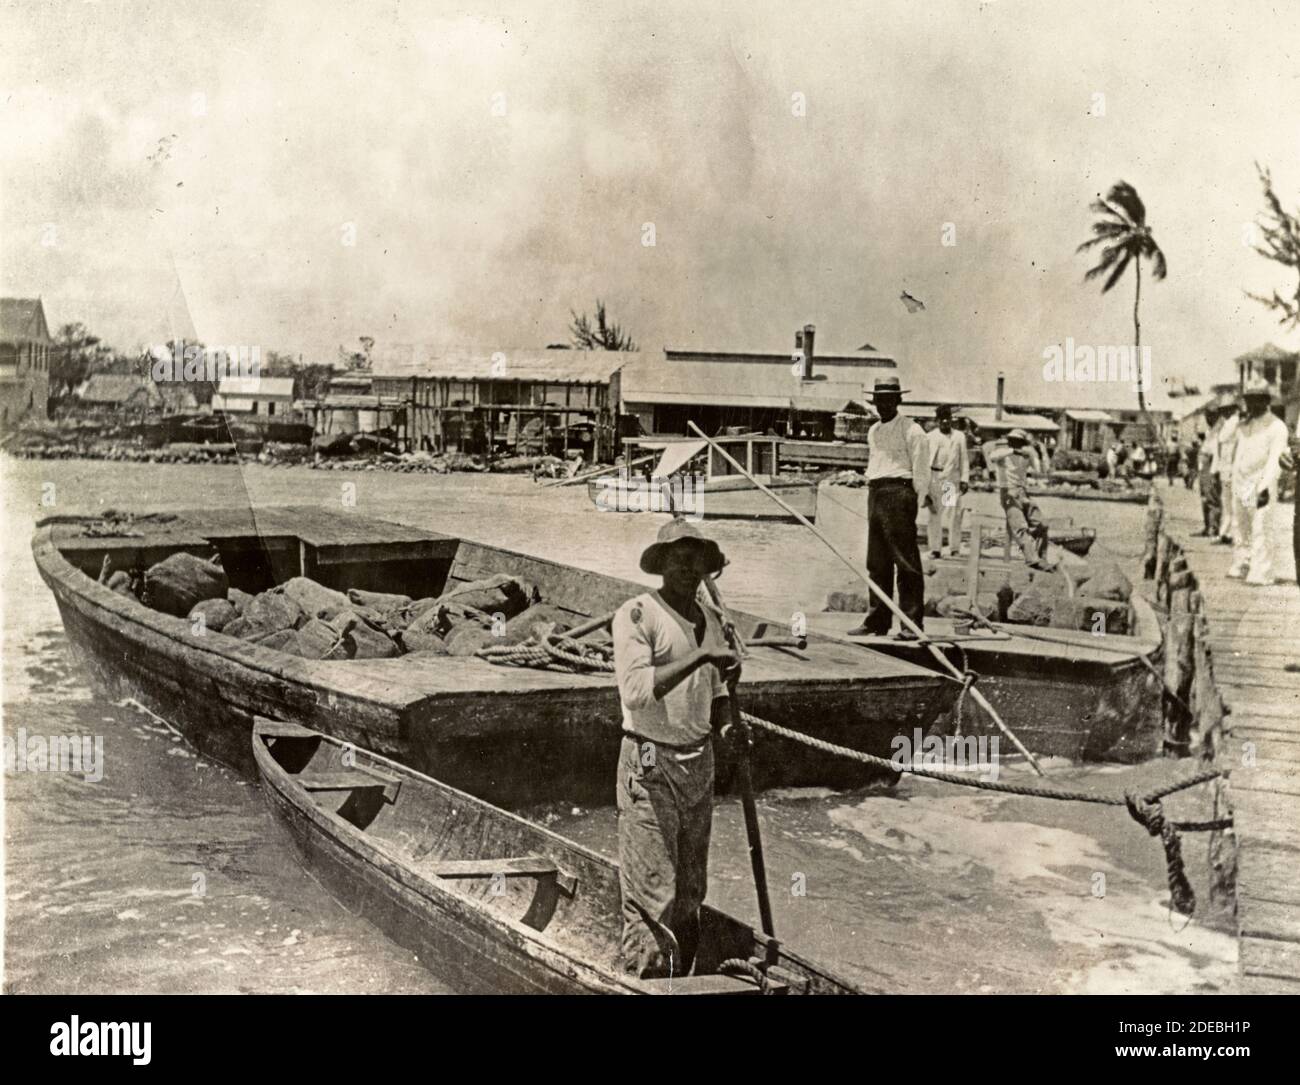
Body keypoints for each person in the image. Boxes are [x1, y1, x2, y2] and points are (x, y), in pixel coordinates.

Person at [611, 518, 741, 978]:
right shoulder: (637, 614)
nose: (689, 569)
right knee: (653, 889)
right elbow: (637, 692)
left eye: (698, 562)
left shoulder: (711, 621)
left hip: (697, 760)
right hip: (649, 759)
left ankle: (684, 977)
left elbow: (718, 691)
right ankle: (641, 976)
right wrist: (702, 656)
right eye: (679, 559)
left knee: (690, 890)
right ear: (662, 564)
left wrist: (726, 727)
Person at [846, 375, 929, 638]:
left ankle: (911, 625)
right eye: (878, 400)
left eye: (888, 400)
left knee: (906, 562)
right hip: (876, 492)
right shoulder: (873, 431)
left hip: (900, 493)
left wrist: (914, 500)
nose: (883, 405)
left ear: (899, 400)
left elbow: (922, 472)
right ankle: (877, 621)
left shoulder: (913, 430)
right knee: (876, 562)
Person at [1227, 377, 1289, 585]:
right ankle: (1241, 565)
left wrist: (1264, 486)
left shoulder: (1277, 427)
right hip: (1241, 483)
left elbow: (1275, 460)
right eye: (1249, 399)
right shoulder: (1244, 425)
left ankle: (1261, 573)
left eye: (1257, 399)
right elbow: (1224, 438)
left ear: (1266, 400)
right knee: (1240, 527)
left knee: (1261, 528)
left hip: (1261, 484)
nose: (1252, 404)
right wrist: (1237, 418)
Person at [985, 427, 1054, 570]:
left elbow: (1041, 471)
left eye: (1018, 442)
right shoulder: (1002, 452)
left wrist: (1042, 452)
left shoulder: (1026, 455)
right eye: (1012, 441)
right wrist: (1014, 451)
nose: (1015, 444)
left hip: (1023, 492)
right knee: (1020, 526)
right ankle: (1032, 559)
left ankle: (1040, 556)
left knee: (1042, 524)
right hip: (1008, 492)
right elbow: (992, 457)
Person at [925, 405, 969, 558]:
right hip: (934, 478)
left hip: (950, 480)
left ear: (951, 419)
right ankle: (935, 549)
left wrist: (964, 479)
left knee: (953, 515)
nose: (945, 422)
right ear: (937, 420)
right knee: (934, 514)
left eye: (948, 419)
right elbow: (923, 461)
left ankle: (954, 548)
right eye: (942, 419)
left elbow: (964, 459)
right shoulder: (930, 436)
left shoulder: (959, 436)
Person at [1215, 396, 1241, 545]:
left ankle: (1231, 533)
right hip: (1225, 468)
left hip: (1232, 467)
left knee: (1232, 502)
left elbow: (1237, 446)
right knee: (1226, 502)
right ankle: (1224, 532)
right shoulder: (1226, 424)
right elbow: (1220, 446)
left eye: (1227, 409)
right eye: (1223, 410)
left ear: (1233, 409)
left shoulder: (1236, 423)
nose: (1225, 412)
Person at [1191, 409, 1220, 536]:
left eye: (1212, 415)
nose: (1209, 419)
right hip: (1203, 466)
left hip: (1211, 464)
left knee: (1212, 498)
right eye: (1207, 416)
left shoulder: (1220, 431)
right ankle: (1207, 526)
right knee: (1204, 498)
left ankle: (1214, 527)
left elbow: (1215, 453)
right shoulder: (1210, 432)